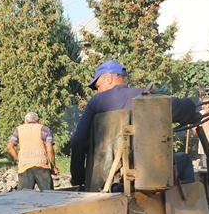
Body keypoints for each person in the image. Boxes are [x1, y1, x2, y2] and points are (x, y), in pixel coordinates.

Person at [69, 60, 198, 189]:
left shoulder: (96, 103)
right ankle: (188, 205)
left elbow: (77, 142)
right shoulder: (144, 96)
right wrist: (191, 112)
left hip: (107, 181)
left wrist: (79, 177)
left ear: (108, 79)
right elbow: (186, 108)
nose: (98, 91)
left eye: (98, 86)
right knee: (184, 160)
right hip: (145, 175)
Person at [8, 111, 58, 191]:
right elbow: (49, 148)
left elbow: (10, 146)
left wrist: (19, 159)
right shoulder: (44, 129)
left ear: (25, 121)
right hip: (42, 167)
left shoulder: (18, 129)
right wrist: (53, 166)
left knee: (23, 199)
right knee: (49, 197)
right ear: (38, 121)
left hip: (25, 168)